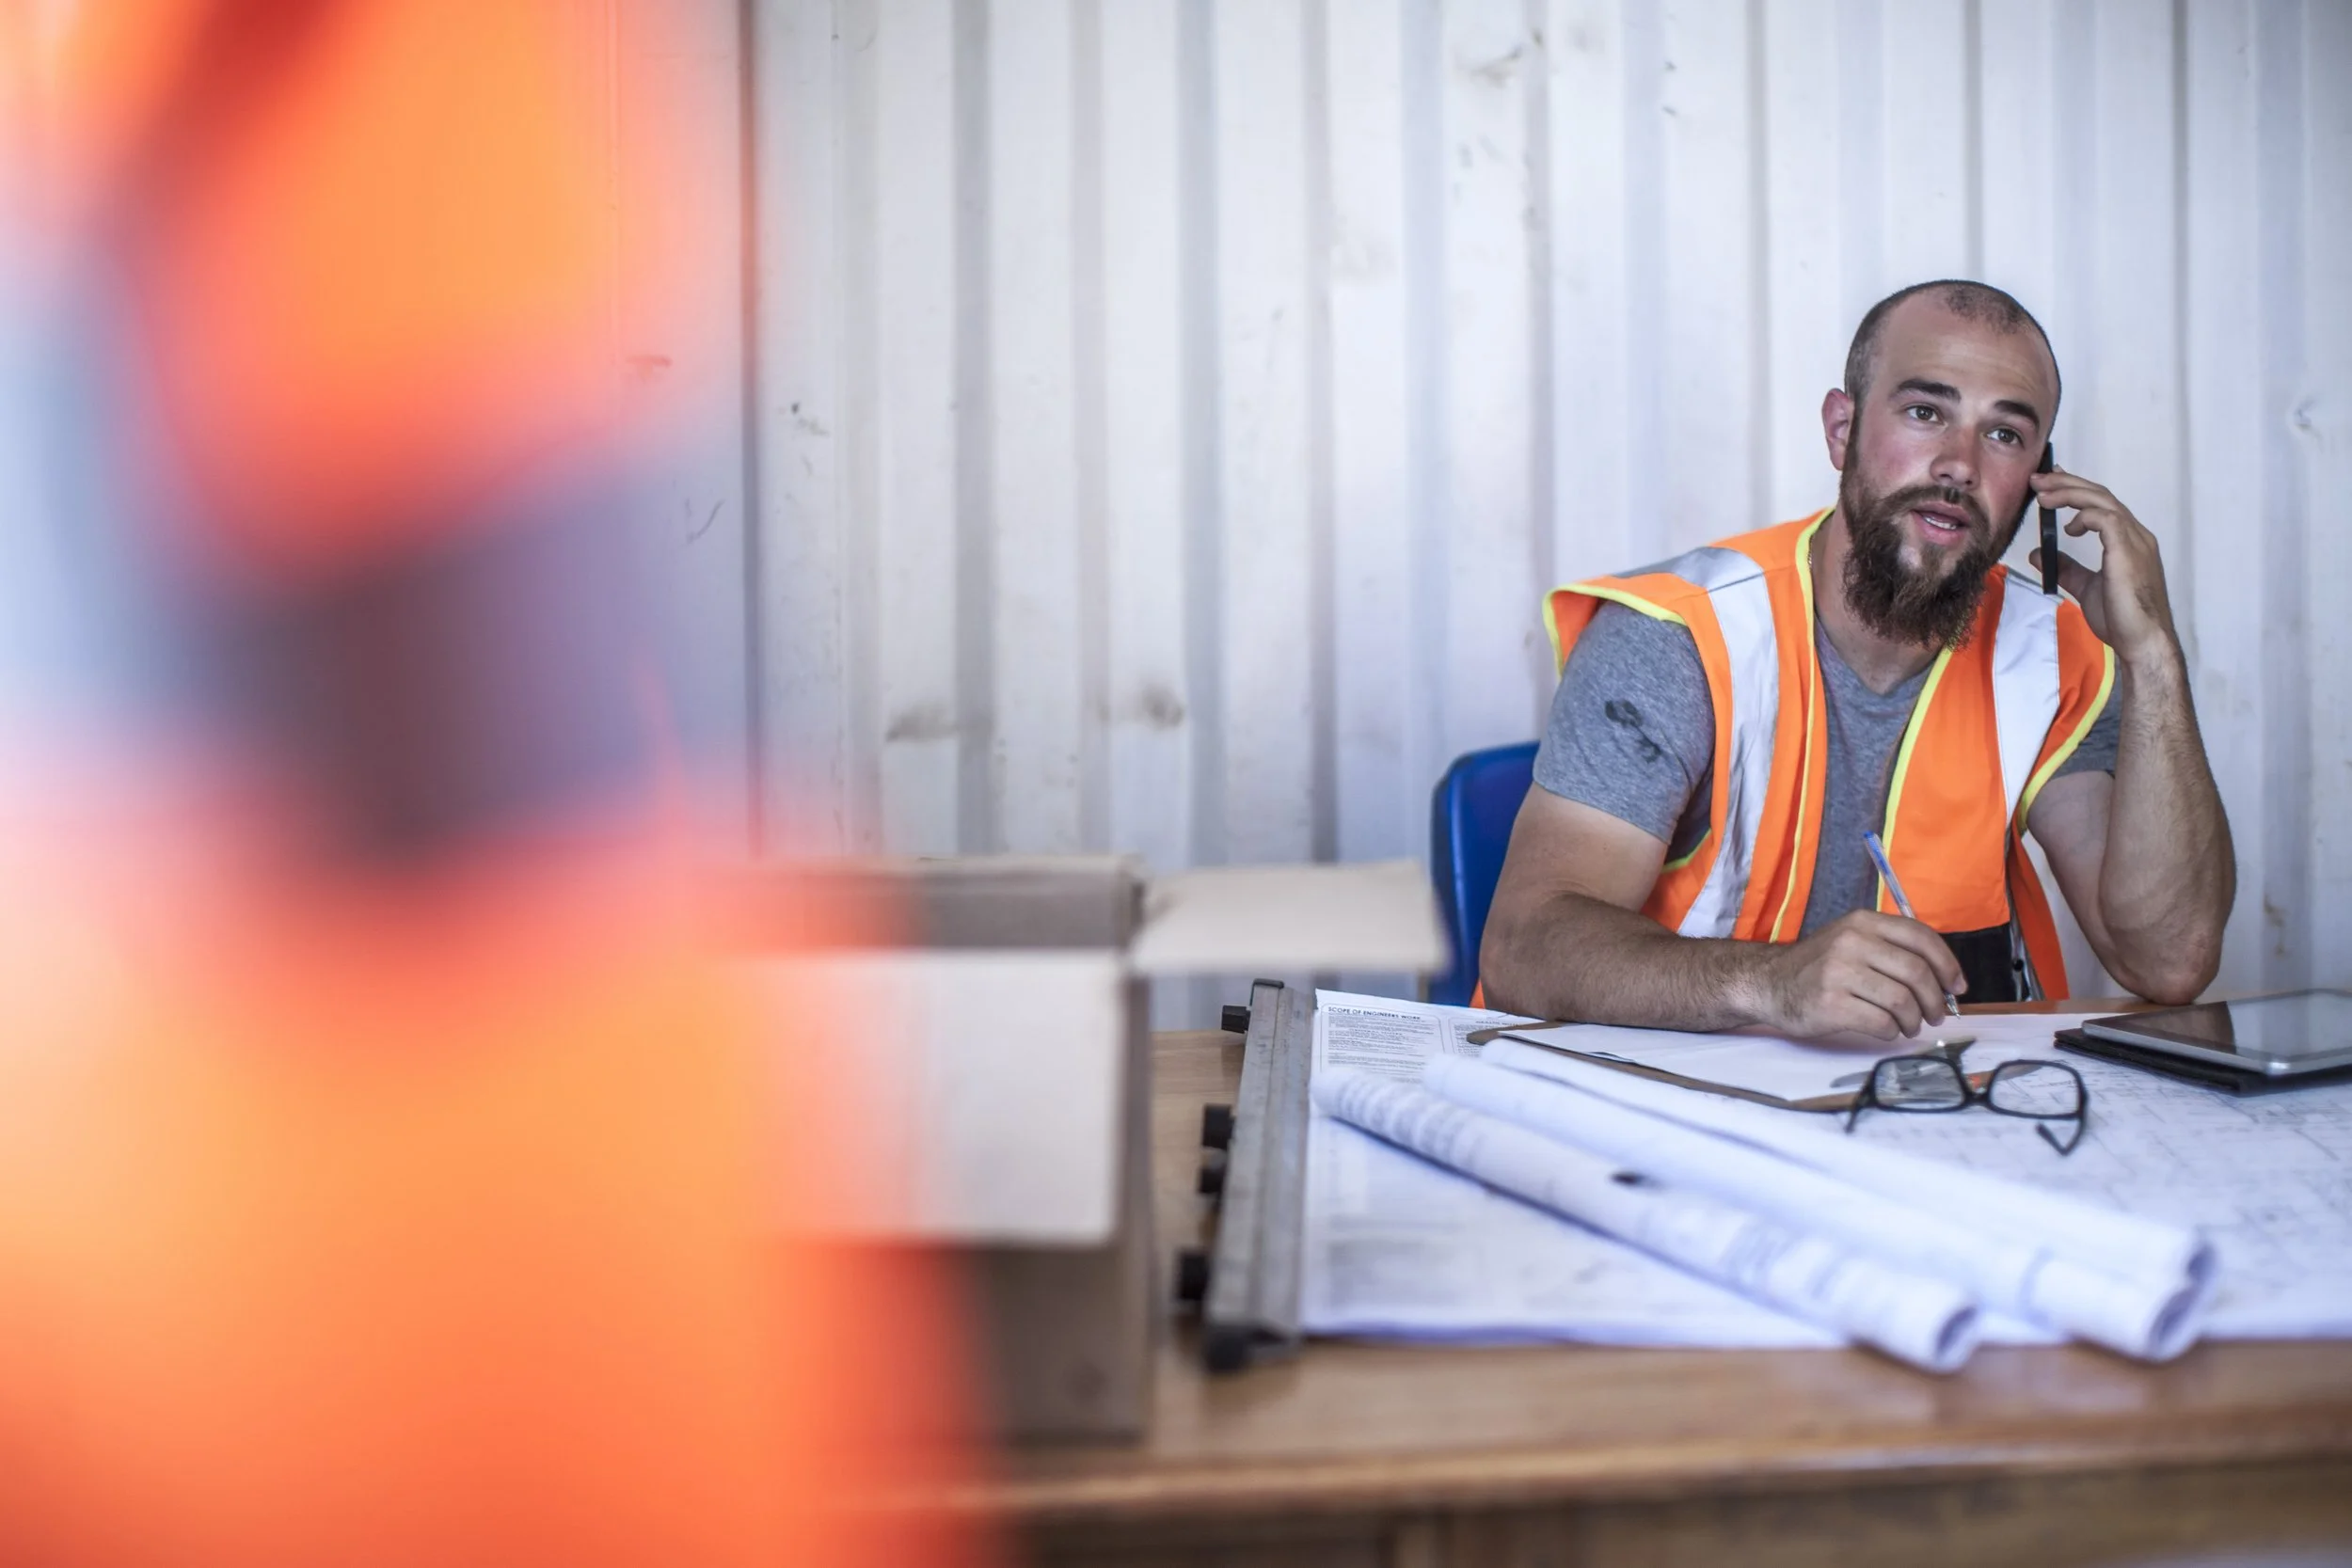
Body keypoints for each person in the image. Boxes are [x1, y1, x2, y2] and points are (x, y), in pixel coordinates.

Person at [1480, 279, 2233, 1038]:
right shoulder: (1681, 634)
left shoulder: (2050, 658)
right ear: (1842, 430)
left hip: (1933, 1113)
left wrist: (2153, 657)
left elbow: (2168, 960)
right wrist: (1775, 982)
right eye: (1925, 411)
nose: (1959, 464)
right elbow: (1523, 946)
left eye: (2004, 434)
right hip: (1656, 1110)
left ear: (2041, 477)